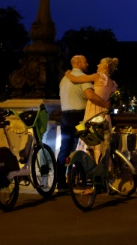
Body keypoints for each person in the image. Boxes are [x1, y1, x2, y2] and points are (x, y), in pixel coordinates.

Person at [57, 55, 110, 189]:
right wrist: (105, 104)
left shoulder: (64, 79)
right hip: (78, 117)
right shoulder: (84, 79)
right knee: (79, 148)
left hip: (65, 116)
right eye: (85, 62)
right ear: (79, 63)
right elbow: (90, 96)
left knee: (64, 148)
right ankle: (78, 178)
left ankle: (60, 181)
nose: (87, 64)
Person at [64, 57, 119, 161]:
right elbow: (110, 102)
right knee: (102, 143)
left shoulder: (98, 76)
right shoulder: (112, 83)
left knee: (88, 138)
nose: (97, 65)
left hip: (93, 112)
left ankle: (87, 165)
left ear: (105, 66)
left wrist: (67, 74)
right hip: (104, 114)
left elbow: (76, 79)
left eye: (99, 63)